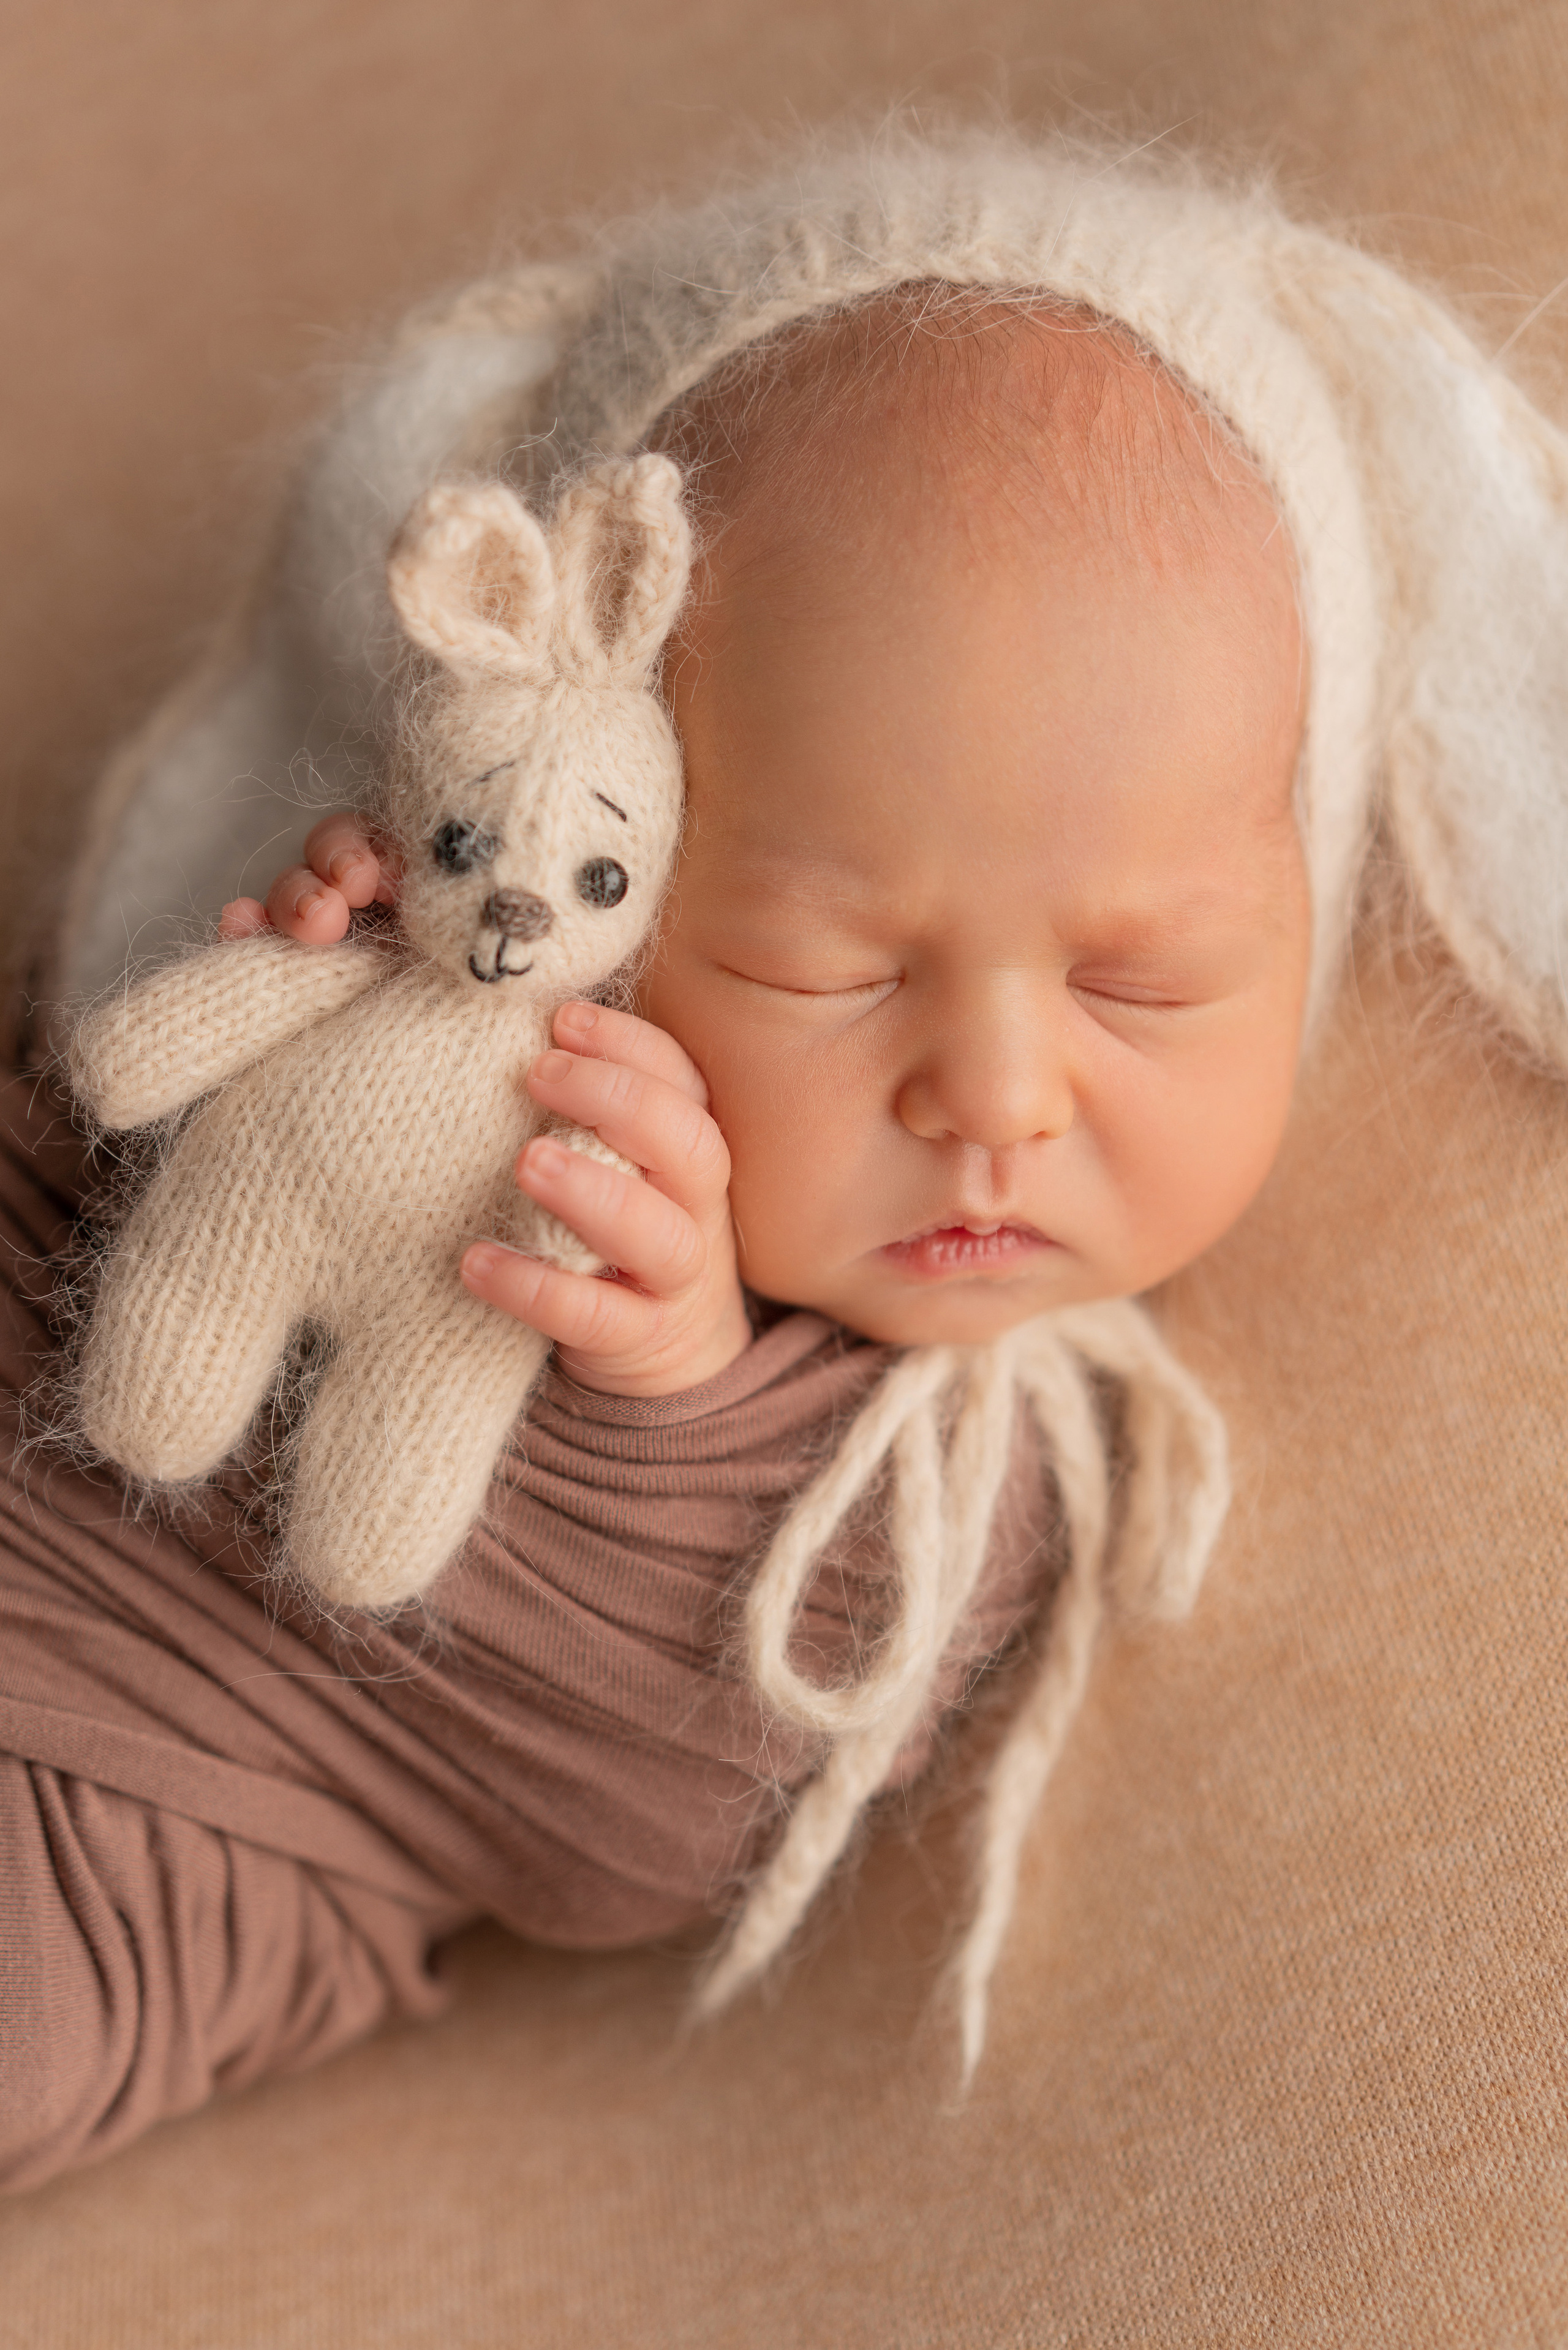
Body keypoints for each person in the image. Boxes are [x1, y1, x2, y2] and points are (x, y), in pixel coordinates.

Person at [4, 129, 1565, 2193]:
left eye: (1142, 980)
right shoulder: (505, 963)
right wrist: (322, 965)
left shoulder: (950, 1470)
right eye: (830, 966)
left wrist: (670, 1385)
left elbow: (631, 1839)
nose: (996, 1090)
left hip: (152, 1811)